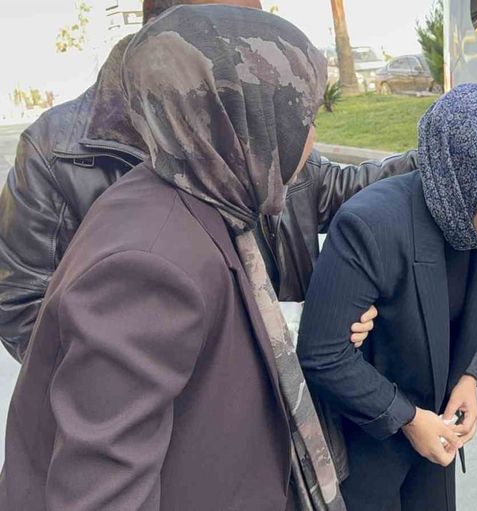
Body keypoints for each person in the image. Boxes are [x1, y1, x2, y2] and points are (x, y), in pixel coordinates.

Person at [0, 5, 344, 509]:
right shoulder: (151, 264)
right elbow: (102, 494)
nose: (311, 138)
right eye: (306, 117)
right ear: (249, 122)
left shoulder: (204, 194)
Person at [0, 0, 417, 361]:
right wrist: (221, 357)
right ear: (170, 43)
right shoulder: (59, 151)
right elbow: (23, 311)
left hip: (289, 399)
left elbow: (337, 187)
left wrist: (439, 151)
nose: (260, 54)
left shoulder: (249, 115)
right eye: (242, 39)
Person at [297, 83, 477, 511]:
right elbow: (323, 354)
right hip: (366, 444)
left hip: (434, 438)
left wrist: (469, 375)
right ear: (462, 180)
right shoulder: (370, 225)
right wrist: (408, 418)